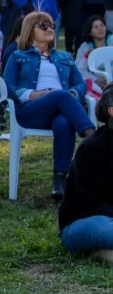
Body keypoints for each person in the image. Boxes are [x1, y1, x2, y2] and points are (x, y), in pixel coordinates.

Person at [3, 11, 96, 200]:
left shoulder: (64, 56)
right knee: (60, 95)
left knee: (63, 122)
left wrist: (72, 94)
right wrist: (34, 95)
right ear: (30, 30)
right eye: (43, 26)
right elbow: (8, 86)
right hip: (31, 110)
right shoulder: (18, 56)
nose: (49, 29)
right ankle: (93, 137)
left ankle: (60, 181)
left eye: (52, 25)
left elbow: (79, 84)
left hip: (61, 107)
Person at [59, 85, 113, 262]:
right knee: (105, 229)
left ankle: (104, 253)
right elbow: (92, 206)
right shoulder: (91, 148)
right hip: (86, 222)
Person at [75, 15, 113, 98]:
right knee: (83, 82)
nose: (100, 28)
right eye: (96, 27)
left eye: (102, 25)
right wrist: (95, 80)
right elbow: (78, 70)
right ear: (90, 32)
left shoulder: (111, 42)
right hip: (94, 82)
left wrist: (108, 79)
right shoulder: (84, 47)